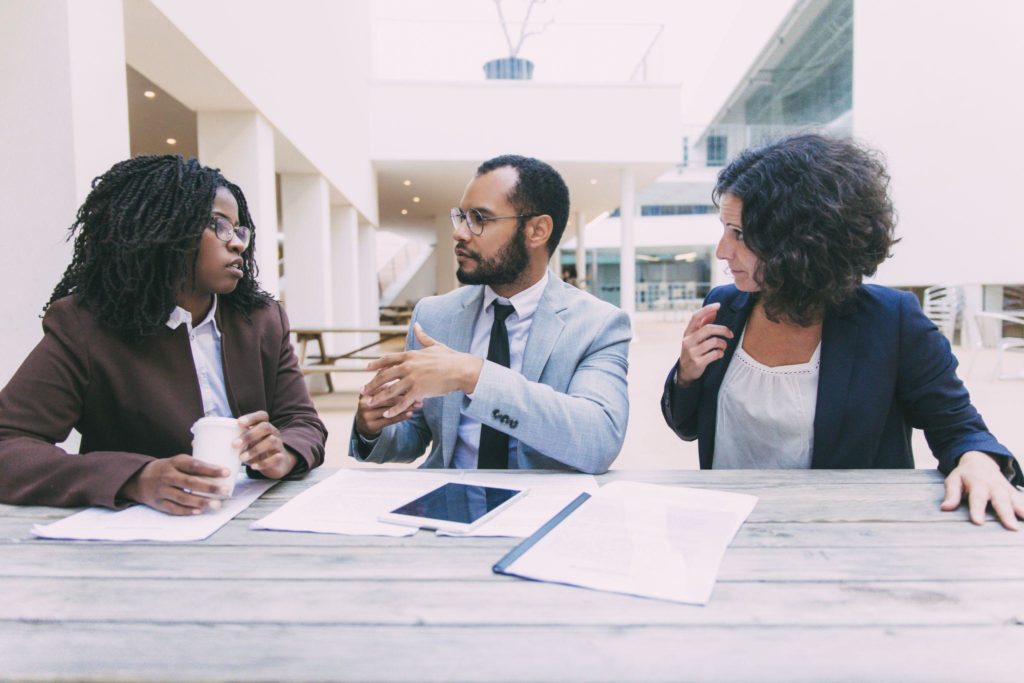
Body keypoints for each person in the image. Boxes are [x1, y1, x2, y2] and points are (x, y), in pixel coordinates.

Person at [661, 133, 1024, 530]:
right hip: (728, 530)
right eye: (724, 229)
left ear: (800, 241)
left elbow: (960, 429)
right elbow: (687, 427)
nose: (721, 251)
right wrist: (686, 375)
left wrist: (979, 462)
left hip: (842, 537)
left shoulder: (892, 320)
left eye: (741, 235)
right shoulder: (725, 305)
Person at [0, 155, 327, 514]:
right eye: (219, 226)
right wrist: (135, 478)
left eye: (240, 230)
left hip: (254, 522)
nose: (237, 244)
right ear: (163, 229)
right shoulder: (86, 326)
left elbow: (303, 422)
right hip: (136, 540)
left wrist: (284, 451)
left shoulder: (262, 320)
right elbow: (9, 444)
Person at [350, 154, 630, 473]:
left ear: (537, 230)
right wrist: (373, 427)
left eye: (480, 219)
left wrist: (473, 375)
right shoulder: (434, 316)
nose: (460, 233)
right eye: (462, 217)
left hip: (544, 510)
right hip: (447, 505)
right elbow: (414, 434)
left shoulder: (598, 325)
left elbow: (597, 441)